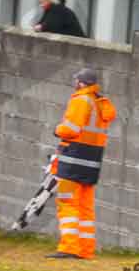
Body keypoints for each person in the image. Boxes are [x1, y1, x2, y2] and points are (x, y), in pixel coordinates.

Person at [47, 68, 116, 260]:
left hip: (73, 159)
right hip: (92, 161)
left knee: (67, 202)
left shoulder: (81, 100)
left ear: (81, 83)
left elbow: (71, 129)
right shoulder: (99, 103)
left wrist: (57, 129)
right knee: (85, 206)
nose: (74, 83)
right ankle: (85, 250)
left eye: (76, 80)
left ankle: (69, 248)